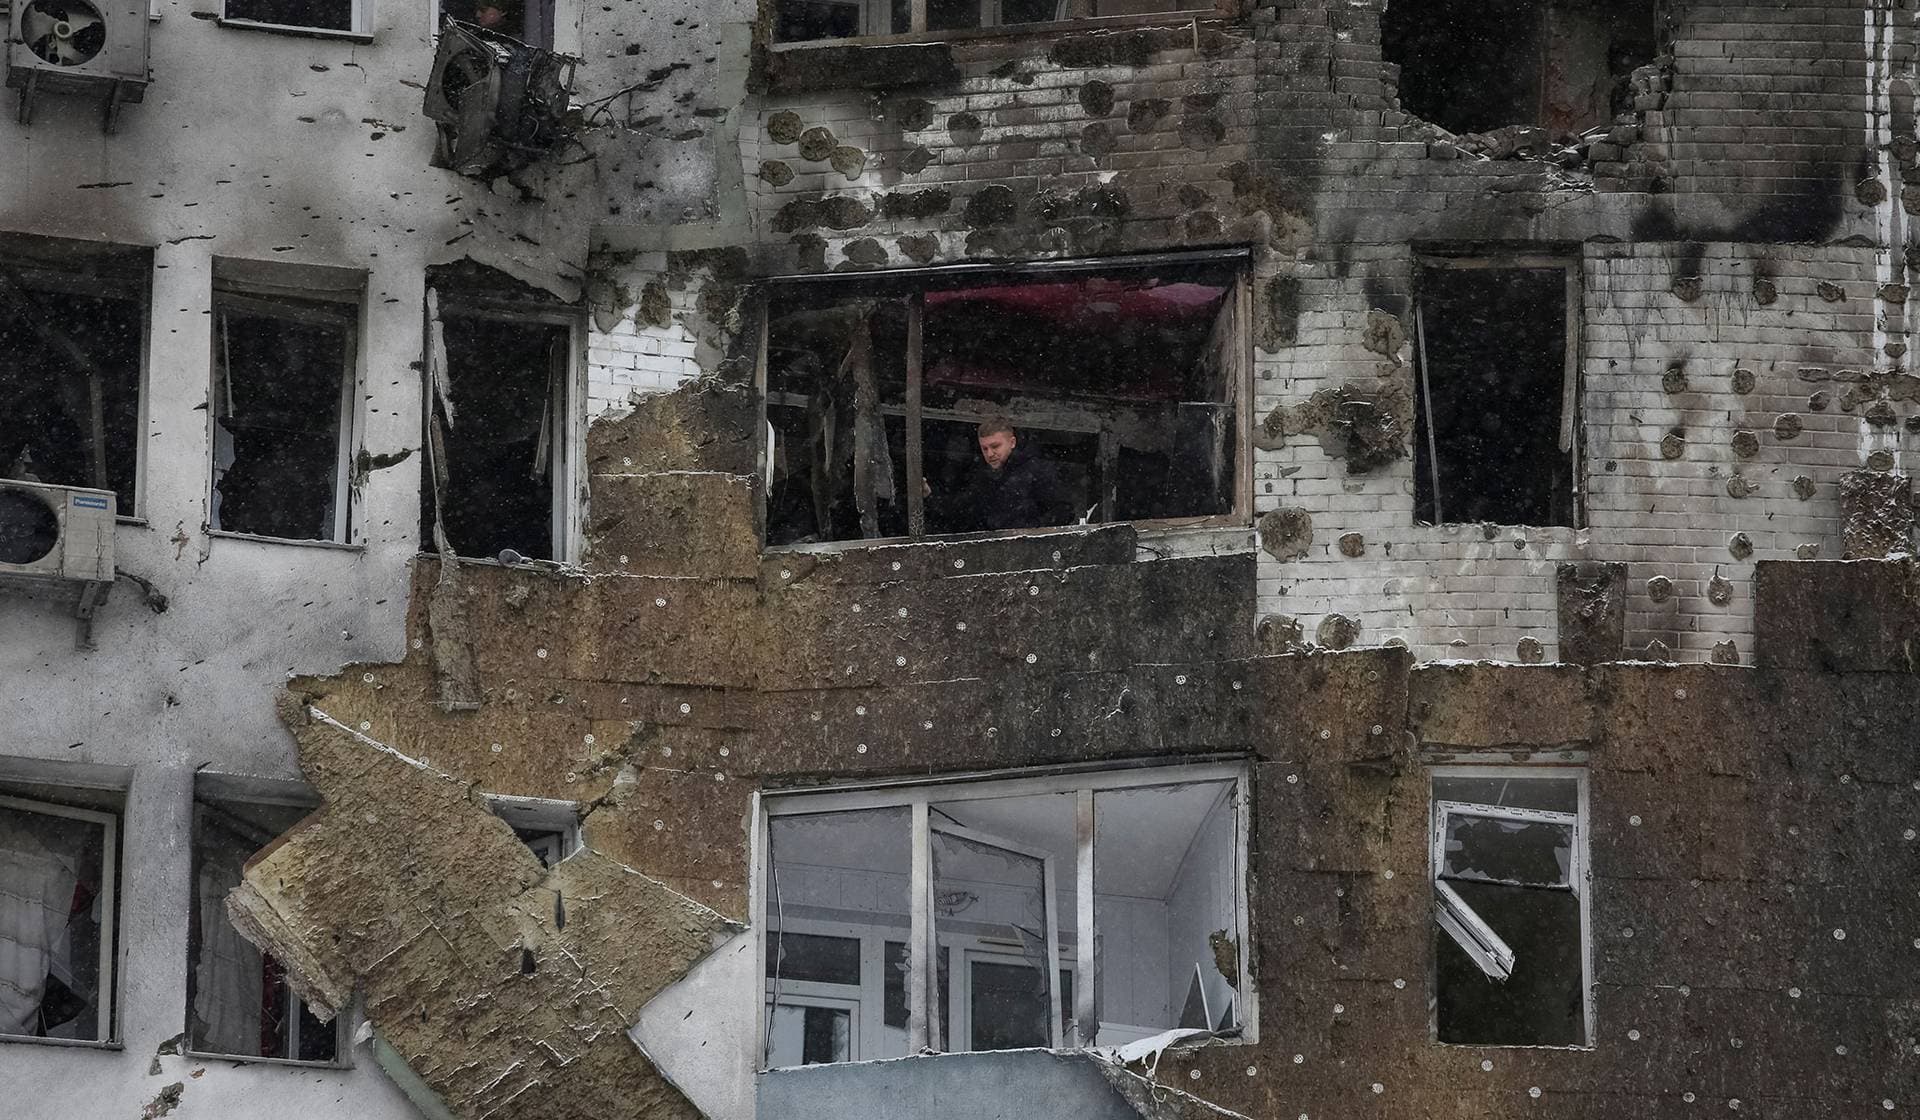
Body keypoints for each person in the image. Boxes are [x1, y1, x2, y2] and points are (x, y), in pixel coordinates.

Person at [934, 418, 1073, 532]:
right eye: (984, 448)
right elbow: (961, 509)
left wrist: (1031, 533)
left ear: (1012, 442)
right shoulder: (983, 477)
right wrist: (929, 496)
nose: (989, 454)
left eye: (995, 446)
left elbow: (1063, 510)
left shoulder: (1036, 470)